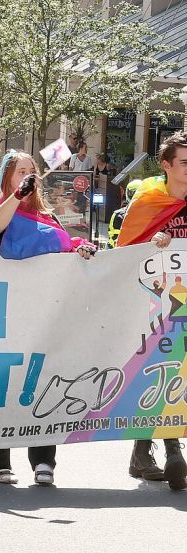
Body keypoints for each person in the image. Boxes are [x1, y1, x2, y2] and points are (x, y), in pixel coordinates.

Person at [0, 151, 96, 485]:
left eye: (31, 171)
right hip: (4, 313)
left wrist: (80, 249)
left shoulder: (48, 217)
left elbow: (63, 249)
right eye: (20, 171)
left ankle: (43, 459)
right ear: (7, 177)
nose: (27, 175)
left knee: (44, 382)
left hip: (44, 313)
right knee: (4, 386)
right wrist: (16, 197)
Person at [116, 130, 187, 491]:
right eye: (185, 162)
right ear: (166, 165)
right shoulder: (148, 201)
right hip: (154, 304)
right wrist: (151, 243)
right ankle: (173, 448)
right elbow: (123, 249)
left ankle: (142, 454)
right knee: (165, 372)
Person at [108, 178, 141, 248]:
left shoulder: (118, 214)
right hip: (122, 251)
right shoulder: (118, 215)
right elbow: (114, 238)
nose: (136, 197)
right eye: (133, 193)